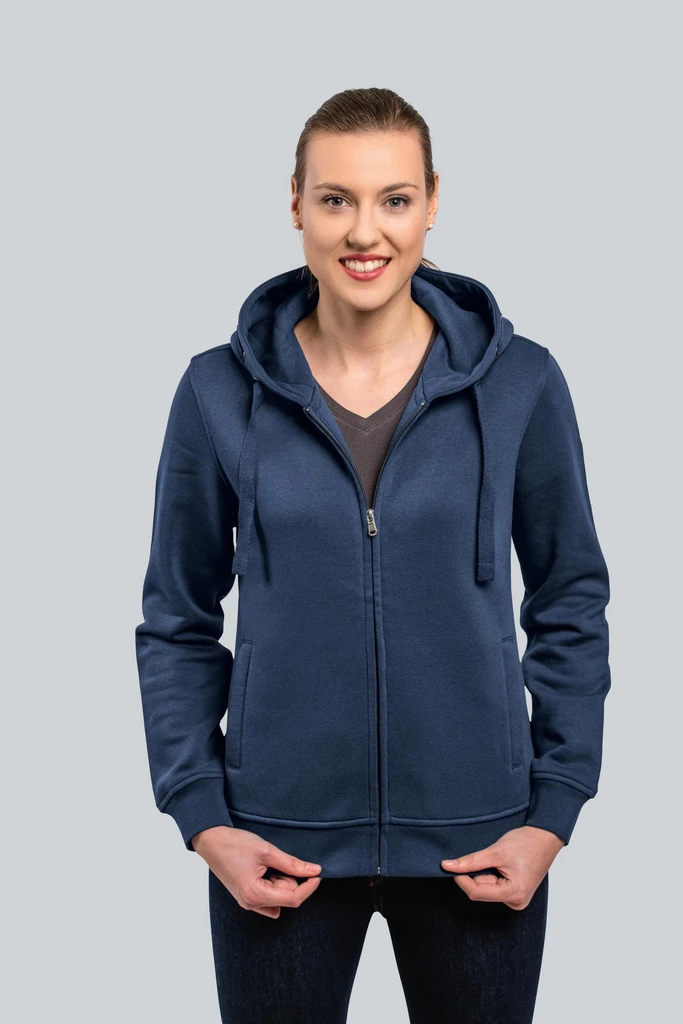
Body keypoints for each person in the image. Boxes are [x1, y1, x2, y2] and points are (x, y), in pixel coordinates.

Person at [135, 87, 611, 1023]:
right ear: (295, 204)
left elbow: (570, 599)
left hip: (481, 842)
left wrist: (552, 812)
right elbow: (176, 620)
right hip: (278, 847)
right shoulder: (215, 392)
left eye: (394, 199)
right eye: (336, 199)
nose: (365, 231)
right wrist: (203, 818)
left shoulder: (520, 384)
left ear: (431, 202)